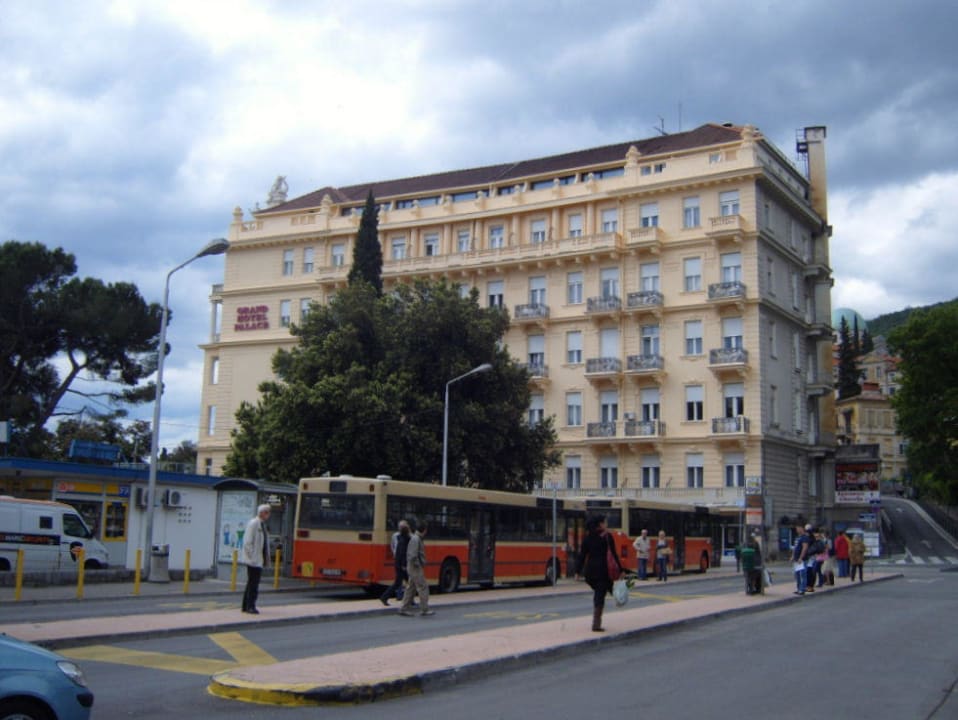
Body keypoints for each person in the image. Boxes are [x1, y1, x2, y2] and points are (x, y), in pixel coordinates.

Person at [575, 514, 623, 632]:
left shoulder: (587, 538)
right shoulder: (607, 537)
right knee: (600, 594)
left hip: (591, 571)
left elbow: (582, 555)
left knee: (601, 591)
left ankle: (616, 597)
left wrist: (577, 571)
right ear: (600, 524)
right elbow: (613, 554)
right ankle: (596, 623)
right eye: (605, 522)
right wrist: (621, 570)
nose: (606, 524)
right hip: (603, 570)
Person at [399, 520, 434, 616]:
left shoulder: (416, 538)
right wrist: (418, 564)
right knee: (423, 587)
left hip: (412, 567)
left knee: (411, 588)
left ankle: (403, 608)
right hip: (415, 568)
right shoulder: (416, 539)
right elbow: (412, 555)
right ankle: (424, 609)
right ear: (425, 530)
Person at [241, 504, 270, 614]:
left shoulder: (262, 524)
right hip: (254, 559)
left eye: (268, 512)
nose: (268, 514)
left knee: (251, 582)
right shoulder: (254, 524)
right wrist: (251, 556)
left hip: (258, 559)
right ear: (261, 512)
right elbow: (248, 542)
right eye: (266, 512)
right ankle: (250, 606)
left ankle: (245, 605)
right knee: (254, 583)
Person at [380, 520, 411, 605]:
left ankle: (385, 597)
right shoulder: (405, 539)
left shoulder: (400, 538)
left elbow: (395, 549)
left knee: (399, 583)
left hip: (398, 564)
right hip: (402, 565)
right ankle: (410, 600)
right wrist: (404, 565)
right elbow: (402, 553)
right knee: (410, 582)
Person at [792, 524, 812, 596]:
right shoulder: (798, 538)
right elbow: (795, 547)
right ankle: (798, 588)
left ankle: (802, 589)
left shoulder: (805, 537)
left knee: (802, 574)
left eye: (798, 528)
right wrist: (793, 556)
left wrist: (801, 557)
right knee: (797, 574)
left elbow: (805, 548)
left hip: (802, 559)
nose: (797, 530)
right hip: (796, 559)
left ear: (802, 528)